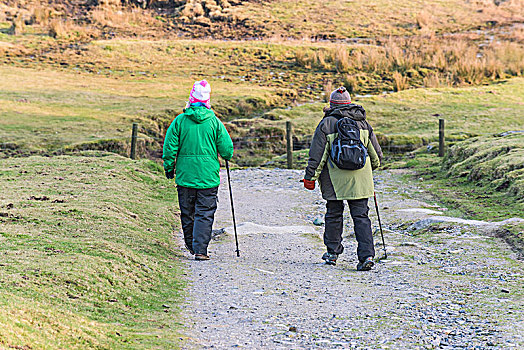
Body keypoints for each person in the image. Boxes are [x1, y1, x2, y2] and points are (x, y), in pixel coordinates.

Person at [303, 86, 383, 271]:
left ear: (331, 105)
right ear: (349, 103)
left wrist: (310, 177)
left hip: (334, 180)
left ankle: (332, 253)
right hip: (360, 181)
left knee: (333, 214)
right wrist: (366, 172)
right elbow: (376, 158)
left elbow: (318, 155)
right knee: (361, 217)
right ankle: (367, 256)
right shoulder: (364, 123)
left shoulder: (326, 124)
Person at [163, 80, 234, 261]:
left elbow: (169, 147)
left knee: (187, 211)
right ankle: (200, 249)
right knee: (205, 212)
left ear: (191, 98)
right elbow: (227, 150)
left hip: (185, 177)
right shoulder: (214, 122)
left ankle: (190, 244)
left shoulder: (179, 121)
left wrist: (169, 167)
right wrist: (225, 154)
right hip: (208, 177)